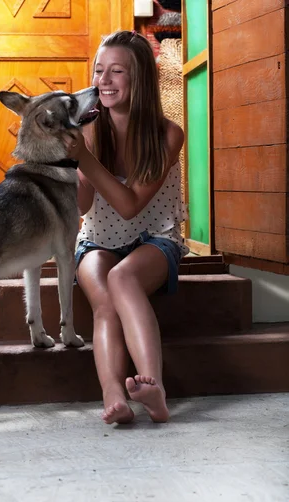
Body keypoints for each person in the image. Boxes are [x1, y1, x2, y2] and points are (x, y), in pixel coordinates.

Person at [64, 30, 188, 425]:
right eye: (99, 70)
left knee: (123, 279)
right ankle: (114, 394)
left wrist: (83, 157)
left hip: (154, 237)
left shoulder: (167, 135)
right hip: (98, 238)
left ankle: (155, 390)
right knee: (104, 302)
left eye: (116, 71)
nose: (104, 80)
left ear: (141, 80)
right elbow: (83, 206)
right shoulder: (87, 129)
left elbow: (131, 206)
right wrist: (72, 163)